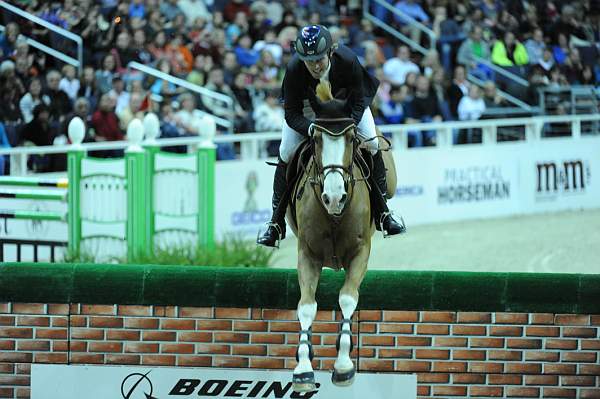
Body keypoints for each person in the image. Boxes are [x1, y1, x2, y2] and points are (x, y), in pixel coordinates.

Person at [257, 25, 406, 248]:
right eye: (310, 61)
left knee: (373, 144)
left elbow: (358, 102)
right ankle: (276, 223)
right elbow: (291, 114)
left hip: (347, 108)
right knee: (285, 152)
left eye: (319, 59)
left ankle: (384, 213)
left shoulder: (346, 60)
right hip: (308, 112)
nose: (315, 66)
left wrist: (350, 126)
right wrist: (310, 129)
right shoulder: (295, 68)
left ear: (330, 52)